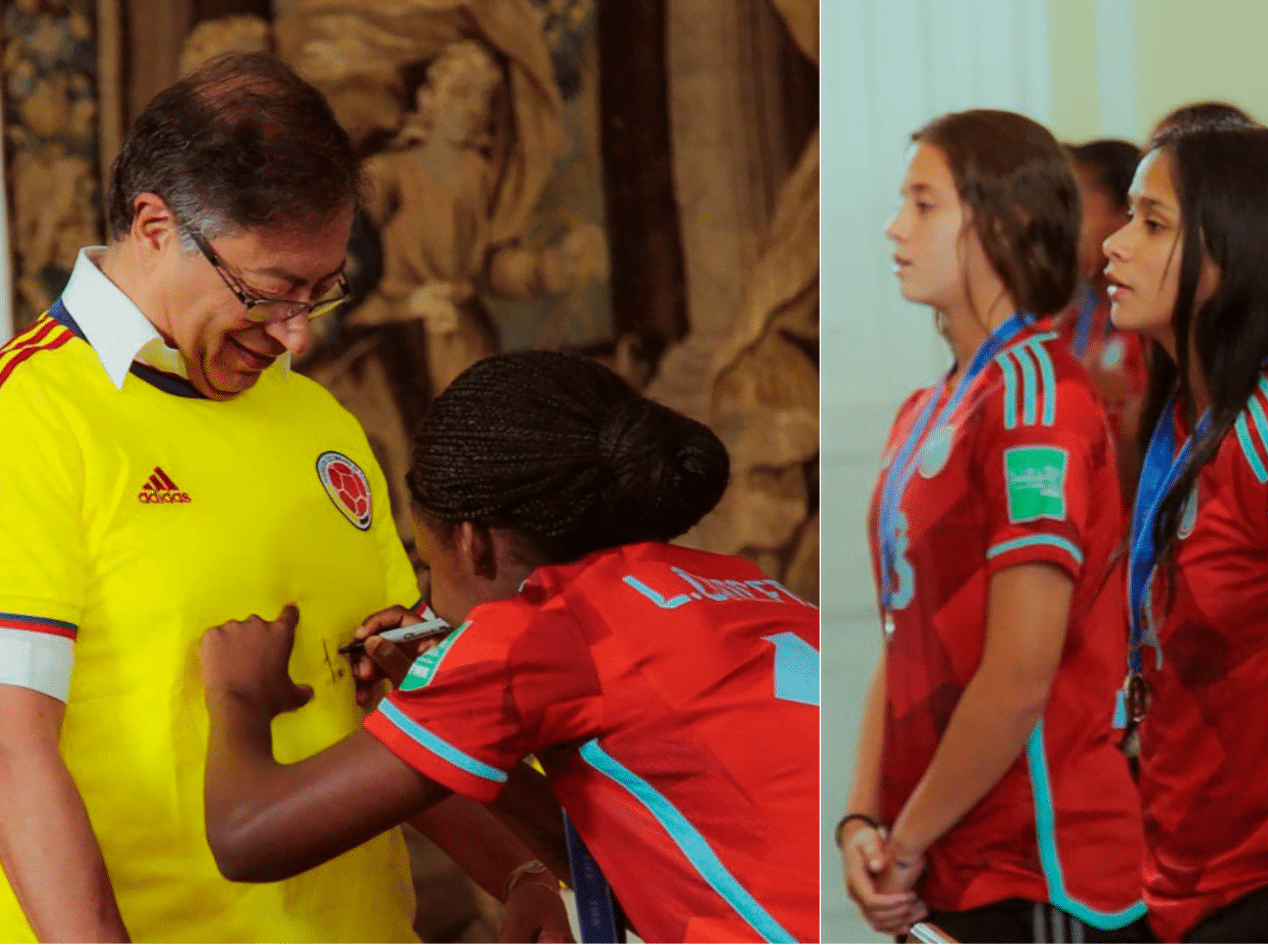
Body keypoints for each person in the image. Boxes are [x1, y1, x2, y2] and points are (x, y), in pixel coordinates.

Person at [0, 52, 567, 943]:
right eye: (268, 293)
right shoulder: (30, 417)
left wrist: (519, 871)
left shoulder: (319, 421)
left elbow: (379, 704)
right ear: (154, 226)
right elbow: (10, 753)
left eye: (321, 291)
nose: (297, 330)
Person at [196, 350, 821, 944]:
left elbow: (248, 838)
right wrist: (465, 734)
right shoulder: (740, 583)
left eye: (430, 570)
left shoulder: (538, 631)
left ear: (475, 544)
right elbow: (644, 858)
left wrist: (240, 696)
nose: (427, 606)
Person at [838, 109, 1147, 943]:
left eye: (925, 204)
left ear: (1003, 223)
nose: (895, 227)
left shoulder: (1036, 398)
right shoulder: (928, 406)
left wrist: (906, 838)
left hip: (1040, 864)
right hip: (950, 854)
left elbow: (1019, 672)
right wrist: (863, 818)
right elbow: (904, 640)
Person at [1101, 122, 1268, 942]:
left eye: (1153, 223)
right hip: (1191, 873)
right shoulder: (1191, 418)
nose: (1113, 246)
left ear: (1237, 253)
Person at [1061, 139, 1148, 498]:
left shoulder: (1147, 325)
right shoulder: (1073, 311)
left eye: (1073, 207)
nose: (1059, 225)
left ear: (1121, 217)